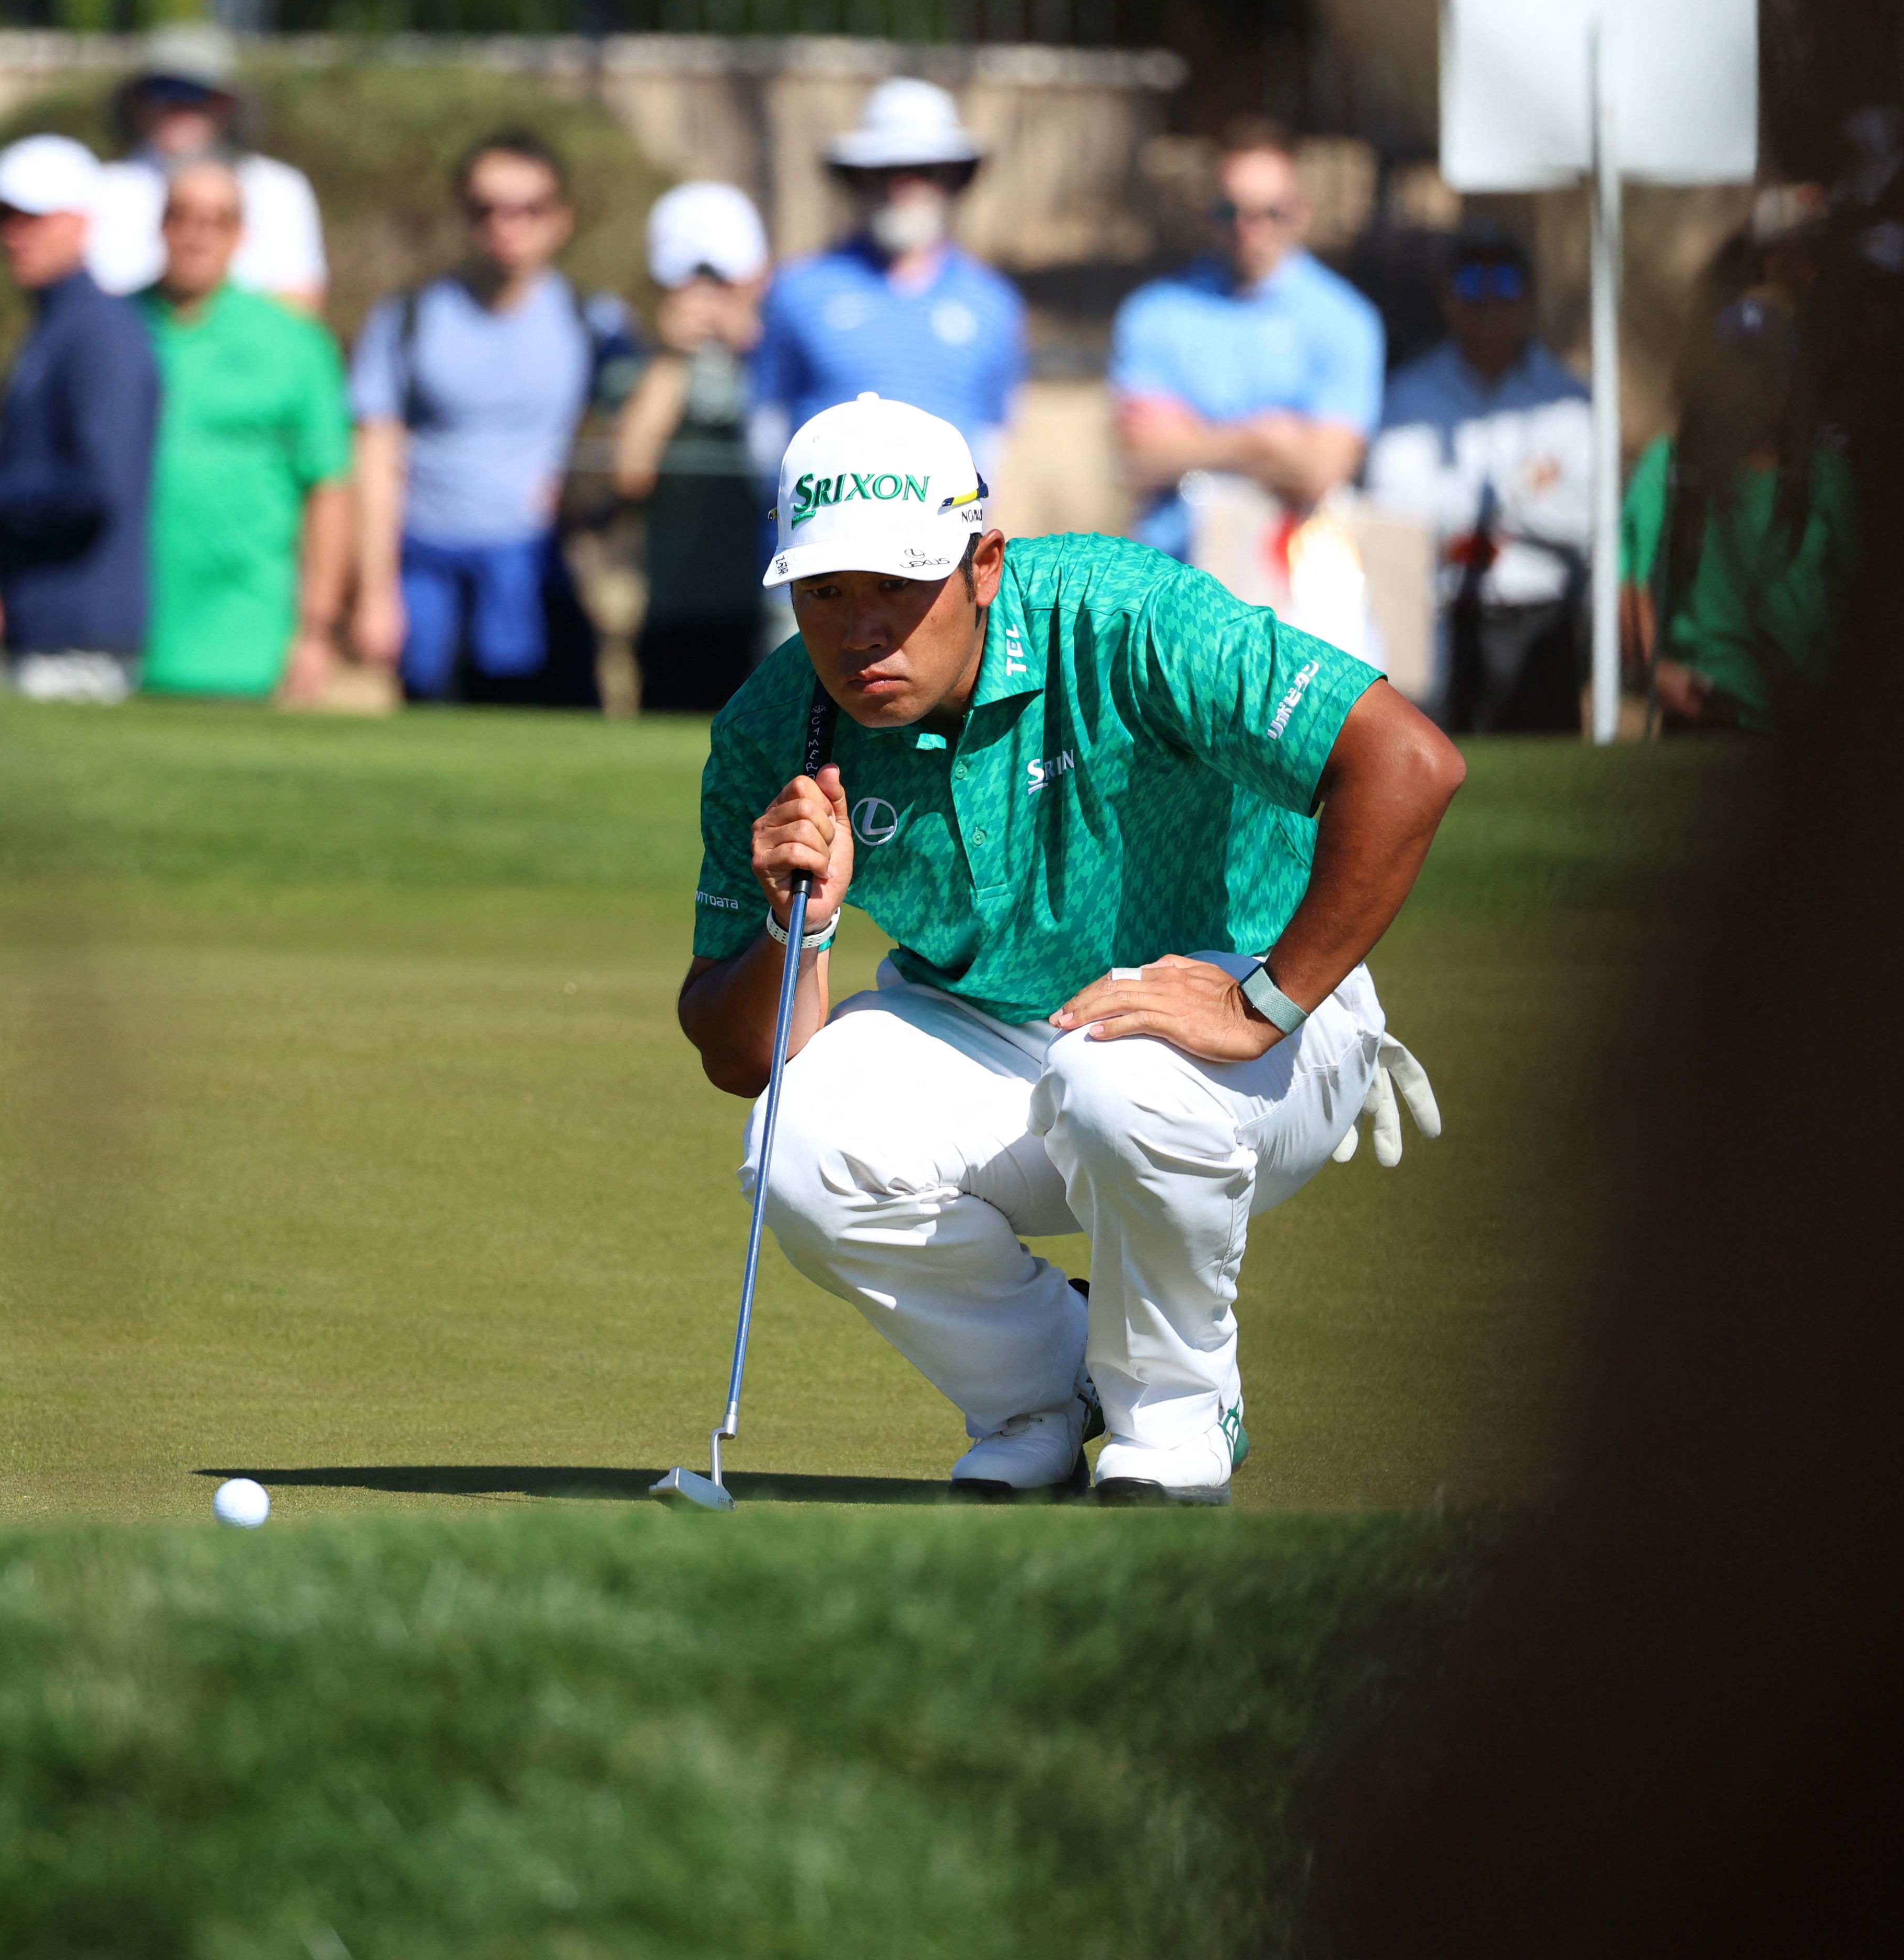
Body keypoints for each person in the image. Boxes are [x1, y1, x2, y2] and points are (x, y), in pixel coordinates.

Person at [679, 392, 1466, 1503]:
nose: (861, 631)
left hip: (1267, 1027)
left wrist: (1266, 1001)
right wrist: (792, 927)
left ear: (983, 564)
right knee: (793, 1141)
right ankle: (1044, 1393)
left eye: (899, 588)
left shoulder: (1121, 613)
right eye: (825, 593)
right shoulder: (774, 727)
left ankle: (1180, 1417)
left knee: (1120, 1074)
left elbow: (1409, 763)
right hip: (992, 1027)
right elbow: (735, 1051)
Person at [346, 130, 635, 705]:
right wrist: (374, 593)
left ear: (560, 219)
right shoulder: (408, 318)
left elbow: (641, 439)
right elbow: (375, 455)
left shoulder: (596, 322)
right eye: (487, 208)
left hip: (536, 573)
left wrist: (587, 500)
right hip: (428, 573)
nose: (508, 224)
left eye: (529, 208)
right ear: (464, 214)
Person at [0, 136, 162, 705]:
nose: (12, 235)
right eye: (2, 218)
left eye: (32, 218)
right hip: (44, 622)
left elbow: (97, 488)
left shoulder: (102, 334)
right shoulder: (57, 328)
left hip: (81, 635)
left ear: (79, 222)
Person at [1108, 117, 1384, 562]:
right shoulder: (1156, 312)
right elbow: (1141, 453)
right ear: (1208, 212)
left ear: (1301, 211)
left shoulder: (1345, 319)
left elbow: (1326, 469)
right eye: (1229, 212)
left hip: (1289, 576)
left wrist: (1197, 445)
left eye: (1270, 213)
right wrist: (1262, 441)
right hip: (1173, 573)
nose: (1248, 230)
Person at [132, 157, 353, 705]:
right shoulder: (114, 330)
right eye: (181, 216)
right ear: (160, 227)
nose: (195, 235)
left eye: (217, 221)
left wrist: (317, 630)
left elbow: (329, 488)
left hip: (246, 636)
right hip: (119, 631)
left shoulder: (293, 344)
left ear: (242, 236)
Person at [1363, 223, 1596, 731]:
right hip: (1438, 617)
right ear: (1448, 299)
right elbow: (1391, 511)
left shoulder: (1570, 400)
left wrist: (1498, 504)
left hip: (1543, 621)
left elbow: (1589, 519)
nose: (1488, 300)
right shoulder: (1408, 396)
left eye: (1506, 284)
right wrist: (1523, 488)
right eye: (1471, 284)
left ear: (1531, 299)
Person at [749, 78, 1026, 473]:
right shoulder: (798, 291)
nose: (903, 187)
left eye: (923, 170)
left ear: (951, 178)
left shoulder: (993, 304)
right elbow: (766, 423)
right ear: (859, 177)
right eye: (887, 170)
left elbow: (992, 434)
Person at [1619, 297, 1857, 734]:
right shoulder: (1670, 466)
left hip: (1805, 715)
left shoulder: (1826, 477)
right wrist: (1657, 671)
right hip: (1704, 709)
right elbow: (1628, 579)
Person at [614, 181, 773, 713]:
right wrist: (671, 359)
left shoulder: (783, 354)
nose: (707, 296)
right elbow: (629, 474)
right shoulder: (641, 366)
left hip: (774, 607)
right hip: (680, 611)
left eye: (722, 280)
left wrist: (750, 341)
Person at [84, 23, 327, 313]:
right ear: (138, 103)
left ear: (226, 104)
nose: (175, 106)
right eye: (162, 90)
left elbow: (302, 303)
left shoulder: (279, 189)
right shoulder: (102, 190)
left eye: (192, 92)